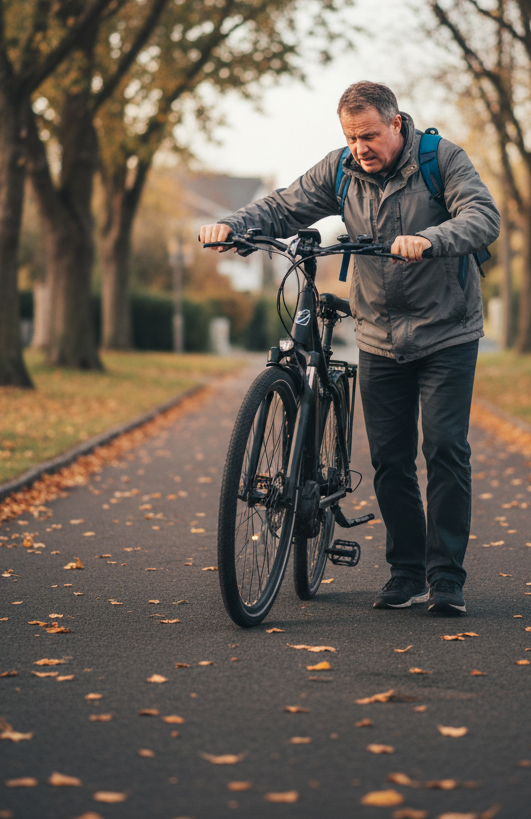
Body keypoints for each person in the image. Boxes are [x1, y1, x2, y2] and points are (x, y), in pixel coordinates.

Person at [199, 81, 500, 615]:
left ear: (396, 125)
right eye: (351, 137)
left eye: (369, 135)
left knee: (446, 451)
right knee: (389, 459)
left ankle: (447, 577)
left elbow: (482, 216)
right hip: (379, 334)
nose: (360, 147)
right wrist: (236, 226)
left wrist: (432, 240)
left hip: (446, 331)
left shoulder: (441, 160)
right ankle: (406, 572)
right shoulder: (340, 169)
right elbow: (284, 206)